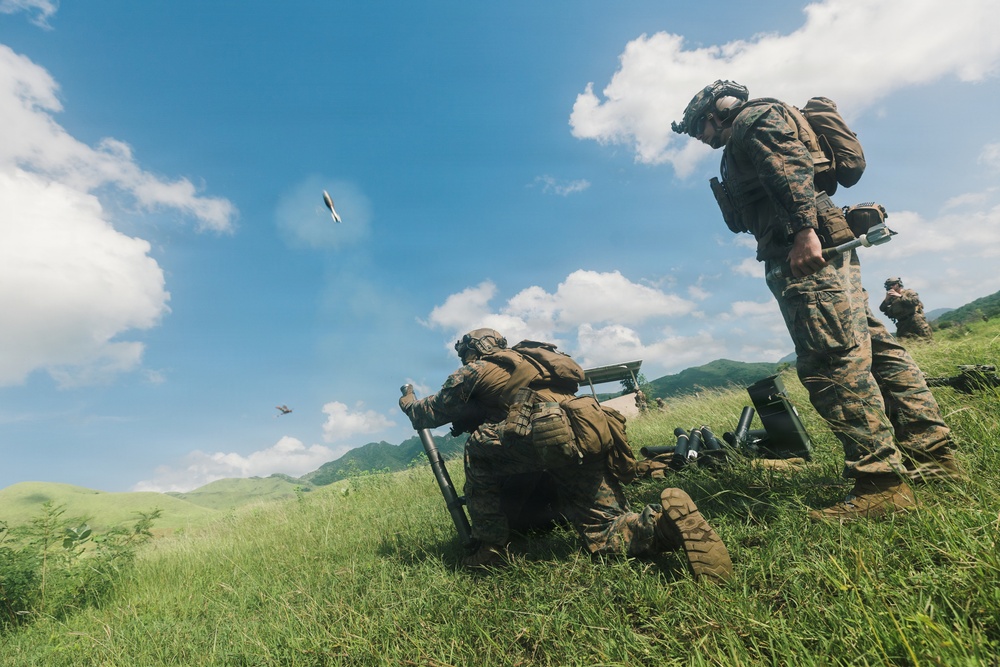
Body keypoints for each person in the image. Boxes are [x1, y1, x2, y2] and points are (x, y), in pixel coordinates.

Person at [671, 81, 959, 521]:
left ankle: (881, 484)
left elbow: (789, 166)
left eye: (699, 128)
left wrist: (803, 232)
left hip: (805, 255)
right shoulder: (757, 124)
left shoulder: (753, 118)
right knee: (878, 352)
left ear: (716, 111)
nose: (701, 138)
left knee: (831, 362)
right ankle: (934, 459)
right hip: (815, 249)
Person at [399, 328, 732, 581]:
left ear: (476, 349)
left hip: (547, 435)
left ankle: (490, 547)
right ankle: (665, 526)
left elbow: (428, 413)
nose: (465, 361)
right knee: (604, 526)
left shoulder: (478, 369)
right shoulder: (533, 359)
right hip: (588, 432)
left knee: (478, 449)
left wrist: (409, 401)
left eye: (466, 355)